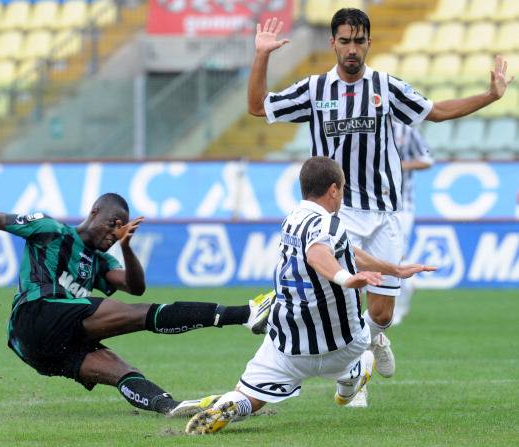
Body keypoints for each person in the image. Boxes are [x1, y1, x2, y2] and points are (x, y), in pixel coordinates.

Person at [246, 8, 514, 379]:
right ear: (333, 43)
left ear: (369, 43)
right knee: (339, 302)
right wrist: (262, 55)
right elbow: (257, 107)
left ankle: (374, 340)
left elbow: (436, 111)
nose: (351, 49)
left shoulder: (386, 87)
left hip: (386, 212)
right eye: (345, 41)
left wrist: (490, 96)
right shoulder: (314, 90)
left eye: (358, 41)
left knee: (382, 314)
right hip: (339, 213)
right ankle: (353, 378)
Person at [184, 157, 436, 434]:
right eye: (342, 188)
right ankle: (356, 373)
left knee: (250, 397)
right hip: (344, 345)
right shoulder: (330, 224)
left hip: (289, 345)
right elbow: (317, 253)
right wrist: (346, 277)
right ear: (333, 190)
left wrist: (393, 269)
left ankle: (232, 405)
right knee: (361, 352)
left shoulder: (290, 220)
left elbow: (345, 250)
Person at [0, 192, 274, 417]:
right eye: (112, 224)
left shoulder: (99, 262)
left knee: (121, 370)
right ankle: (246, 313)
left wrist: (126, 247)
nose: (115, 232)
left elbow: (135, 286)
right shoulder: (50, 230)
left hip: (41, 351)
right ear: (94, 212)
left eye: (122, 228)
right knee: (139, 315)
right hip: (35, 314)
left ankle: (170, 406)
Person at [392, 121, 434, 326]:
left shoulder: (406, 130)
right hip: (371, 206)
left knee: (397, 255)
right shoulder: (366, 126)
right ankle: (408, 286)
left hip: (402, 206)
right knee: (380, 256)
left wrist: (402, 165)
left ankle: (399, 307)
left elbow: (427, 159)